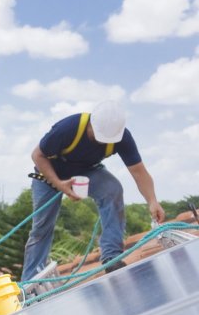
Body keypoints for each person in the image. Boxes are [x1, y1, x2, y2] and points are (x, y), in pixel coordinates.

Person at [21, 100, 165, 281]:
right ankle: (29, 281)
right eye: (98, 136)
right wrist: (59, 184)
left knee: (112, 189)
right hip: (49, 175)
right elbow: (37, 155)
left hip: (86, 172)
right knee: (42, 227)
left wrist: (152, 201)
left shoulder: (121, 137)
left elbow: (139, 171)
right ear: (91, 123)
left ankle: (111, 257)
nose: (101, 142)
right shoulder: (68, 128)